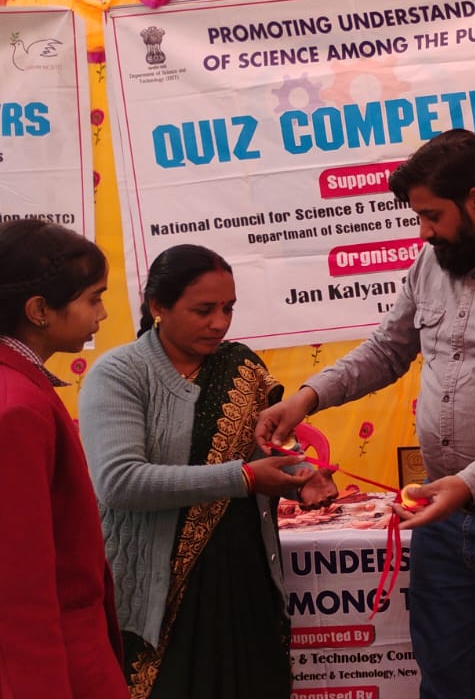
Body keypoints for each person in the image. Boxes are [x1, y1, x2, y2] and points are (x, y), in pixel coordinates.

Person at [255, 128, 475, 699]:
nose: (423, 232)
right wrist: (306, 398)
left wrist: (470, 483)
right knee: (442, 683)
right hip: (440, 519)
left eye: (432, 216)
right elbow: (387, 350)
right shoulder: (433, 262)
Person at [80, 244, 333, 698]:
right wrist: (245, 479)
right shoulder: (120, 374)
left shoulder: (241, 367)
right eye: (204, 310)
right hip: (159, 593)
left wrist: (302, 478)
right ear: (158, 306)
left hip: (245, 573)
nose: (220, 323)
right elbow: (119, 482)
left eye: (228, 308)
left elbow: (266, 449)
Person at [0, 220, 126, 698]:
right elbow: (20, 586)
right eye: (93, 298)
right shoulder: (16, 407)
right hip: (58, 660)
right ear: (39, 310)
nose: (103, 313)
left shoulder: (21, 387)